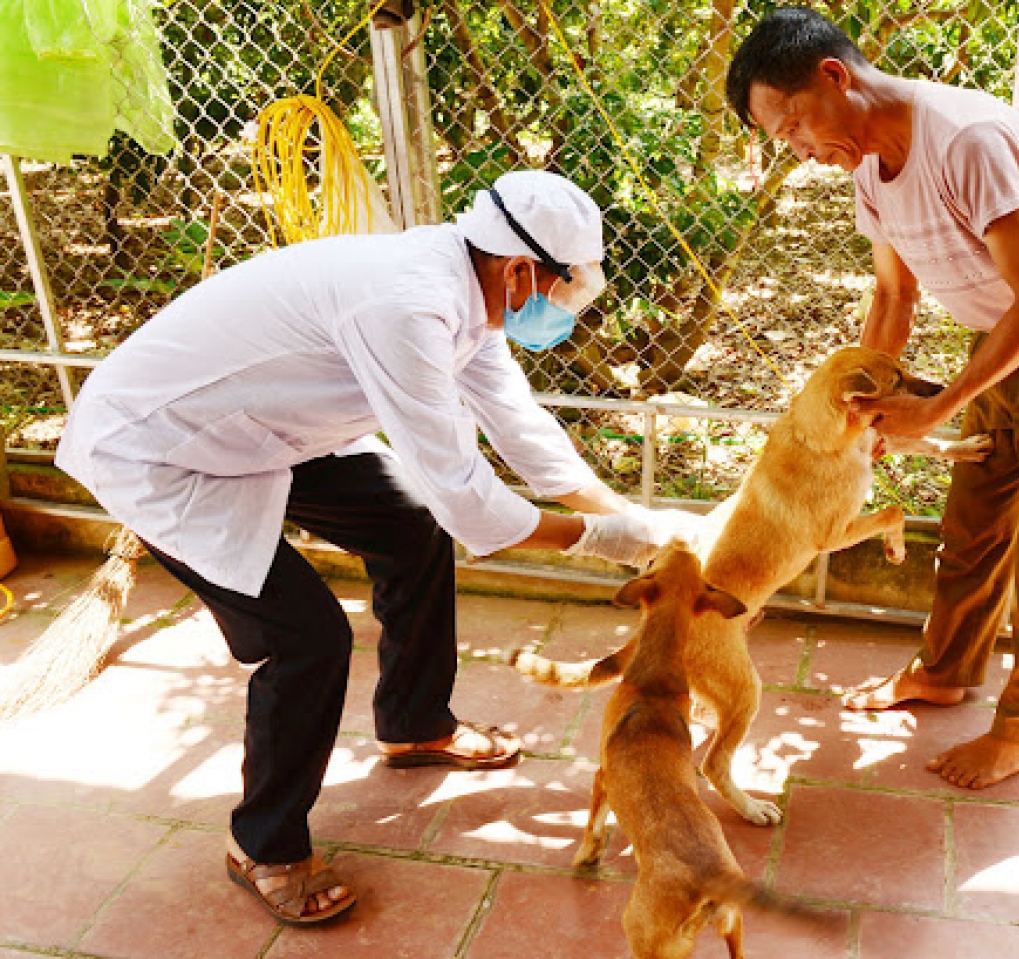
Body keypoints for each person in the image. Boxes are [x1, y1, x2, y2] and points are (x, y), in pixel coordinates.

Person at [55, 170, 699, 924]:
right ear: (523, 270)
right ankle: (264, 844)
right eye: (568, 290)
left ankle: (415, 722)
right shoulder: (406, 304)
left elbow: (521, 430)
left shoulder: (474, 295)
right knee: (308, 639)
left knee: (411, 524)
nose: (563, 309)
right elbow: (469, 499)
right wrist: (601, 538)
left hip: (265, 427)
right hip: (163, 446)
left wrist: (630, 518)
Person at [726, 8, 1019, 789]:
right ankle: (944, 672)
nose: (800, 152)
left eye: (794, 128)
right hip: (1000, 343)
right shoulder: (870, 174)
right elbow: (892, 295)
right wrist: (864, 410)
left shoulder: (963, 139)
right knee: (972, 527)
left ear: (835, 78)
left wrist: (939, 405)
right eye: (785, 143)